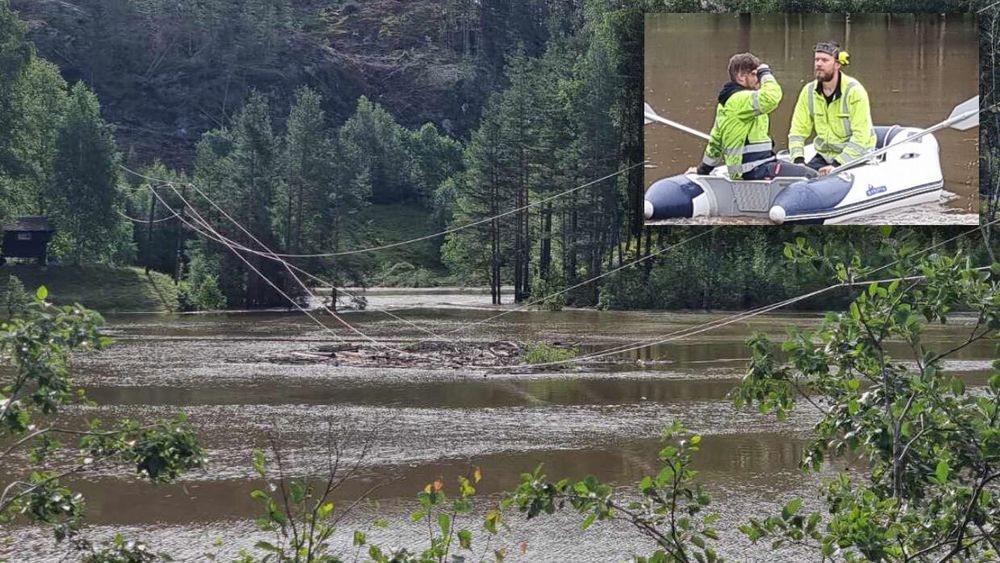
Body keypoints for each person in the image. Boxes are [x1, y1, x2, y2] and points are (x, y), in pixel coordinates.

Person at [688, 52, 816, 181]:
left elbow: (715, 142)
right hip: (755, 169)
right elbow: (771, 97)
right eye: (755, 74)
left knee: (800, 170)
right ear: (742, 77)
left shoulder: (727, 102)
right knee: (811, 176)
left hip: (758, 166)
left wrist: (702, 170)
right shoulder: (741, 99)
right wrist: (765, 73)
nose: (758, 79)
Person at [788, 41, 876, 176]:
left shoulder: (854, 91)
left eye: (824, 60)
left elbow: (861, 136)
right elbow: (797, 131)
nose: (818, 64)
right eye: (816, 59)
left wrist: (837, 164)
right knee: (798, 180)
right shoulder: (808, 91)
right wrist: (798, 160)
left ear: (837, 64)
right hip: (825, 156)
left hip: (855, 157)